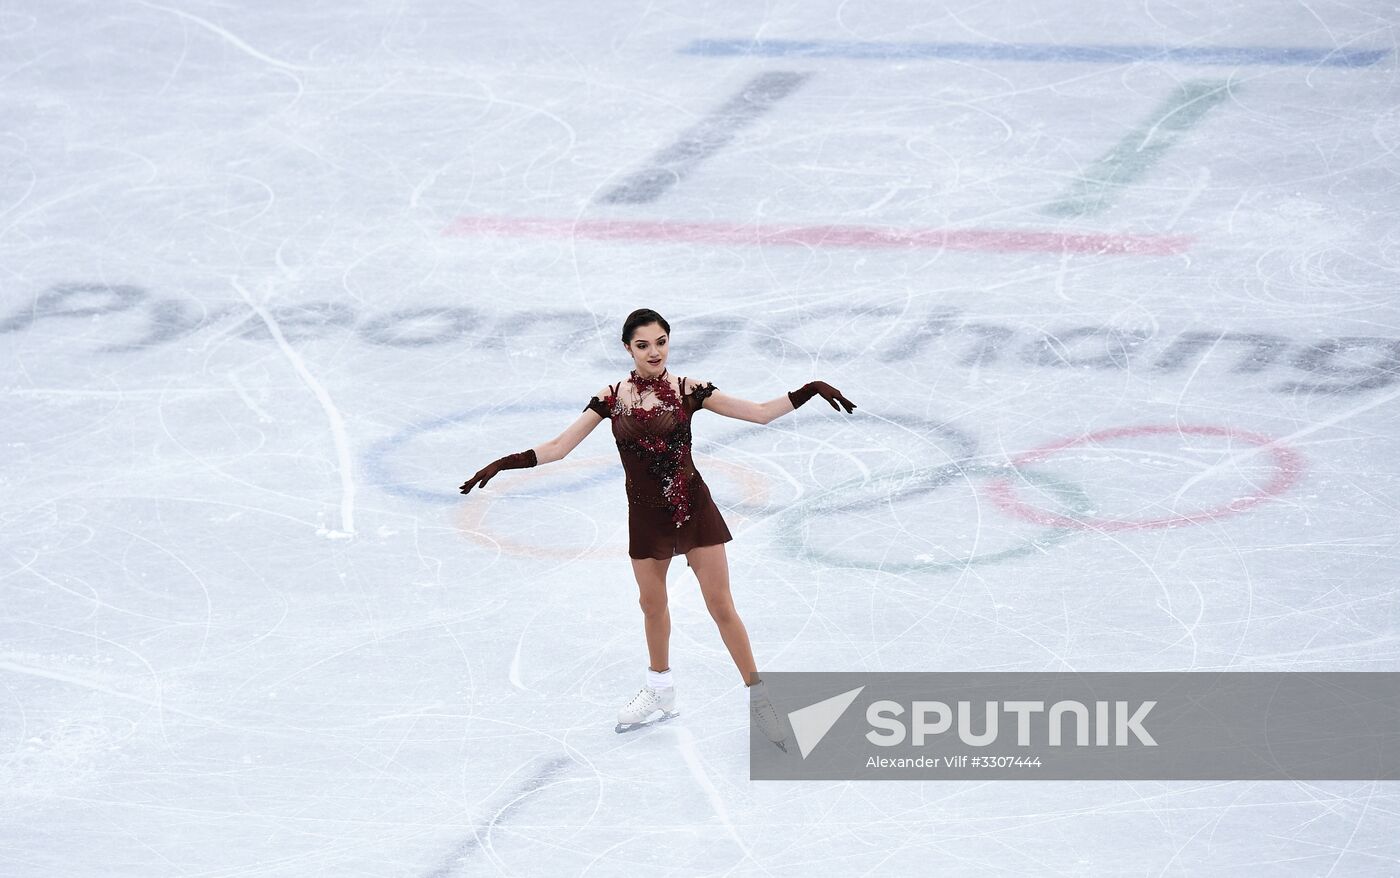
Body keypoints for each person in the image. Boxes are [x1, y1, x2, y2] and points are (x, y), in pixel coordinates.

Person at [459, 308, 856, 741]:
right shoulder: (612, 398)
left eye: (661, 342)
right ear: (627, 348)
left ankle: (761, 700)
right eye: (643, 345)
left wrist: (808, 391)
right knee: (652, 605)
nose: (654, 352)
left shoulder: (689, 390)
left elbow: (758, 413)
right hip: (647, 516)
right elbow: (559, 447)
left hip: (692, 509)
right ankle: (660, 690)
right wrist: (505, 463)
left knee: (721, 606)